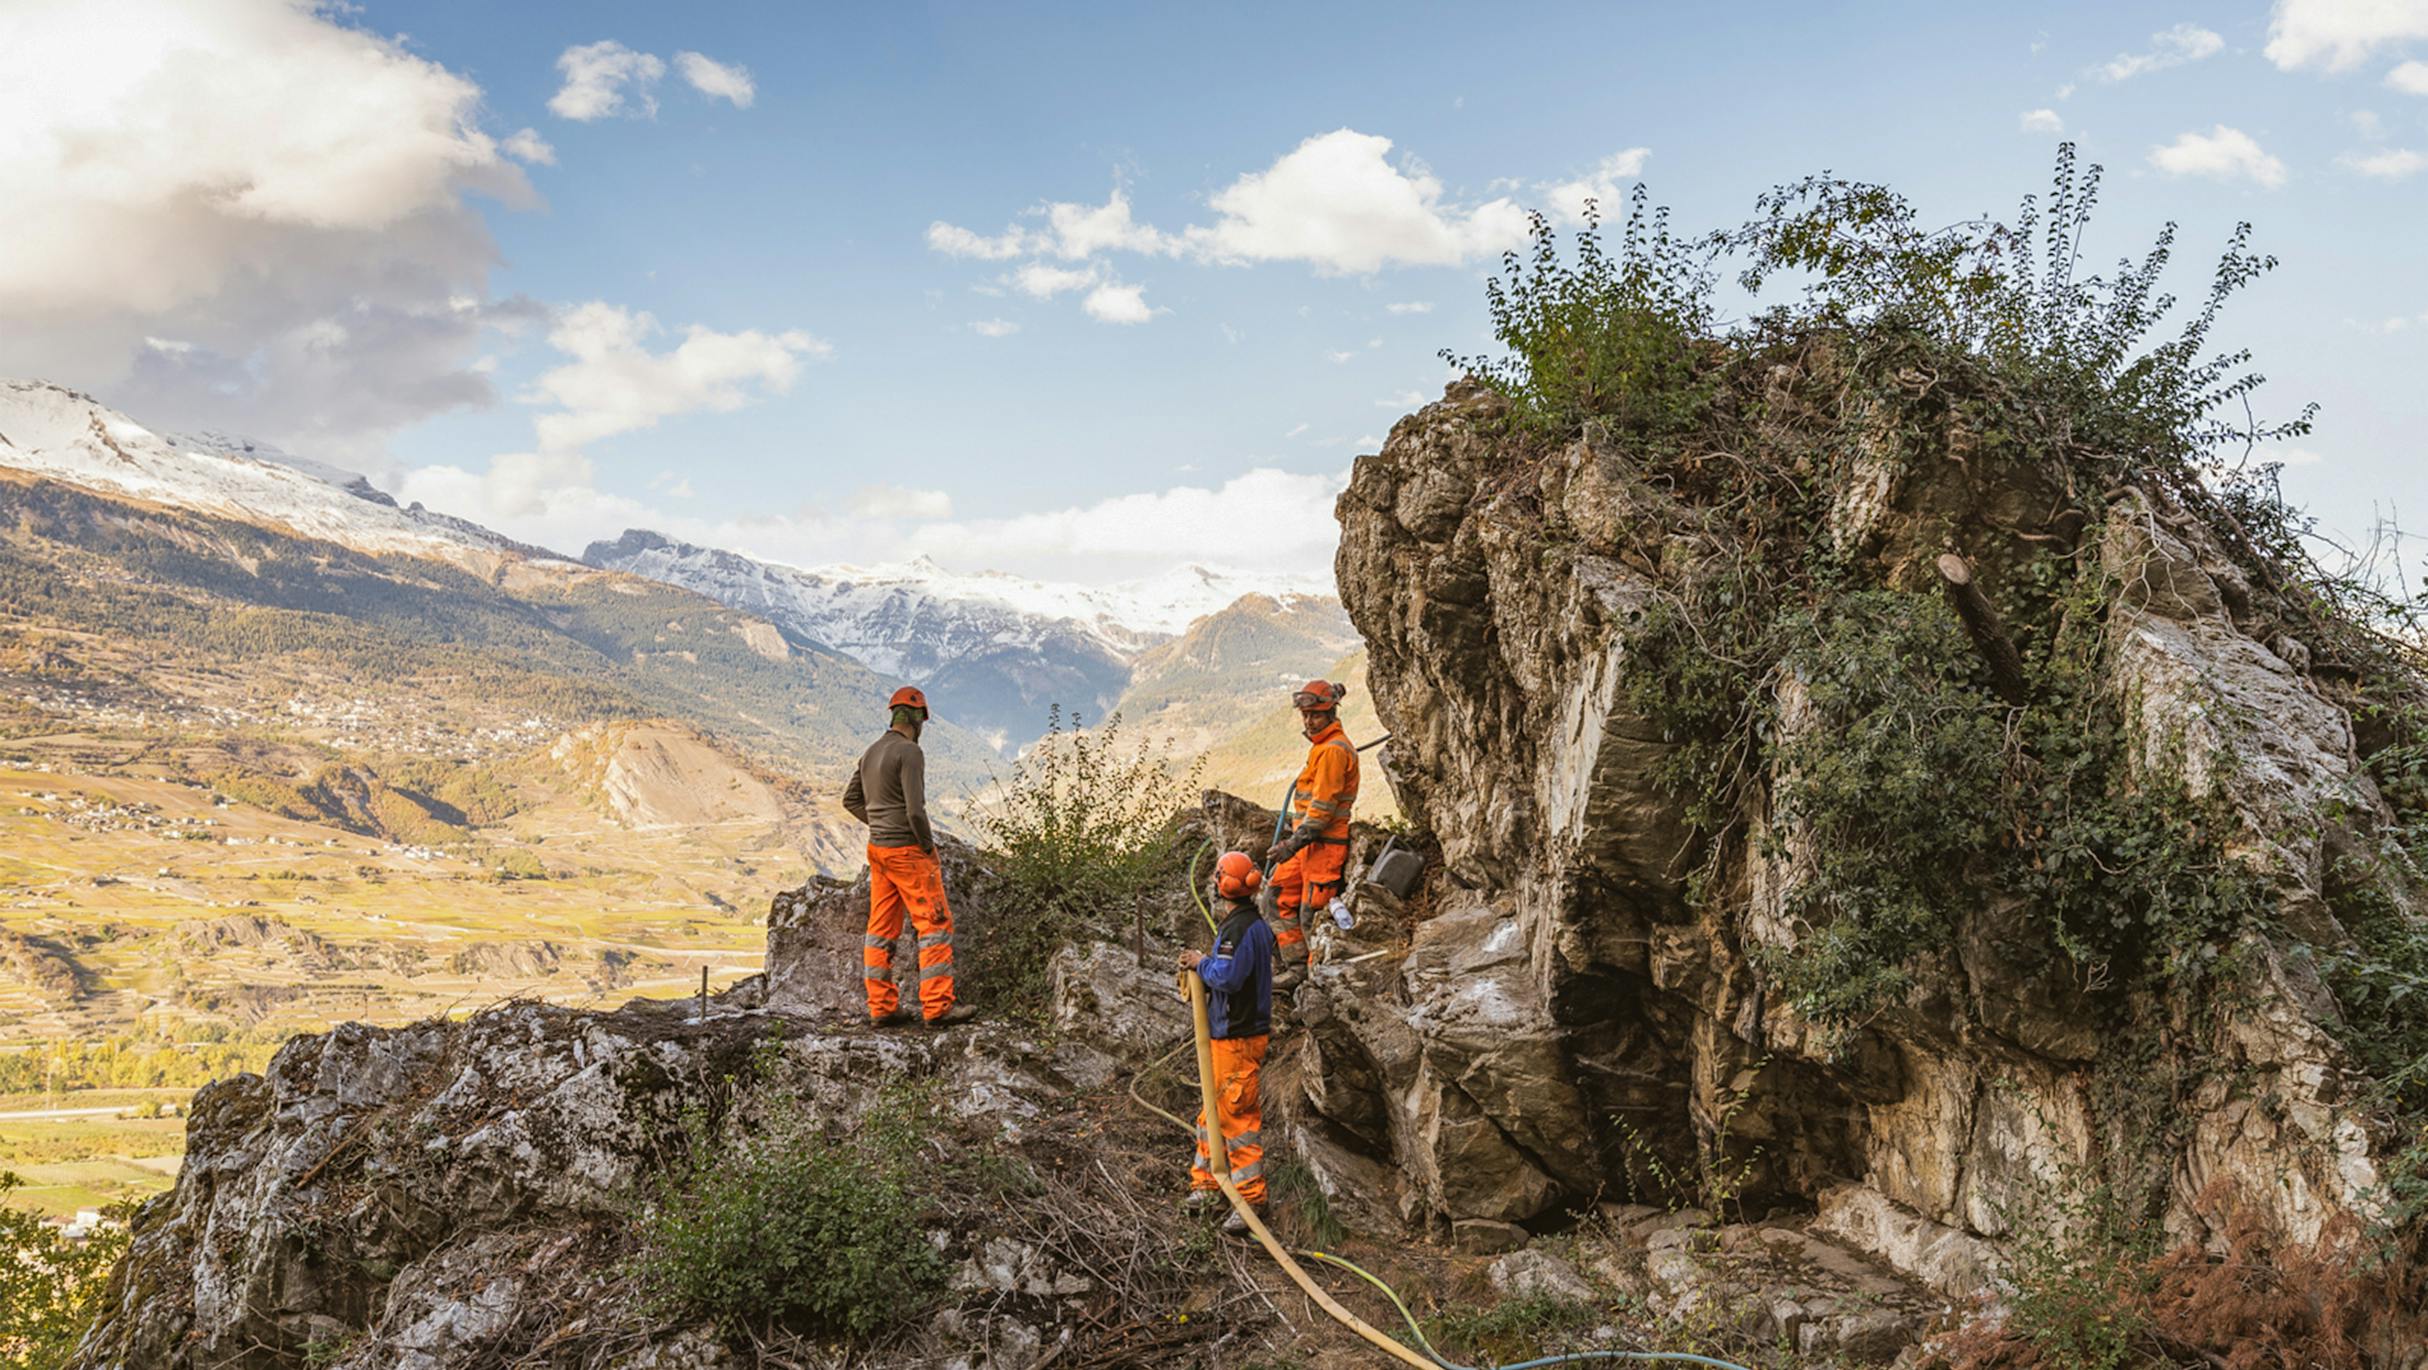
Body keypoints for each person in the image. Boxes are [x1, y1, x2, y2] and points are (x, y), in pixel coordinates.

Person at [842, 685, 975, 1027]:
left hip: (879, 851)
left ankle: (882, 1007)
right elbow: (916, 811)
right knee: (934, 924)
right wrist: (927, 845)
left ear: (893, 715)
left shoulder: (871, 752)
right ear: (919, 719)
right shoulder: (910, 753)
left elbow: (851, 800)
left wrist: (882, 823)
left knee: (881, 929)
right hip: (907, 852)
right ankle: (938, 1007)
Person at [1180, 850, 1275, 1232]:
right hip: (1228, 1037)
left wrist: (1201, 963)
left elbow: (1229, 978)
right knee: (1211, 1112)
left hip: (1238, 1038)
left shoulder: (1239, 931)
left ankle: (1251, 1200)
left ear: (1223, 885)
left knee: (1237, 1119)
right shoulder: (1249, 923)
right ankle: (1207, 1183)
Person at [1266, 679, 1360, 975]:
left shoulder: (1333, 751)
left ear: (1331, 714)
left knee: (1312, 916)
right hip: (1305, 845)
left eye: (1316, 715)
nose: (1309, 721)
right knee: (1275, 896)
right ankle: (1296, 968)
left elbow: (1321, 813)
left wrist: (1289, 846)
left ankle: (1315, 983)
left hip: (1323, 846)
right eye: (1305, 715)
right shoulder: (1322, 748)